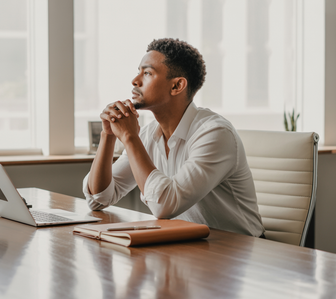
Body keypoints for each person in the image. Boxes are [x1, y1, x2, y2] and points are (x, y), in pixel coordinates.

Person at [82, 38, 264, 237]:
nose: (135, 80)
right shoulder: (148, 134)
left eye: (147, 73)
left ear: (177, 85)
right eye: (138, 71)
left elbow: (164, 206)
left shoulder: (215, 134)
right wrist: (108, 135)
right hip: (189, 246)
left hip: (240, 253)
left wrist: (129, 136)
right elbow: (98, 199)